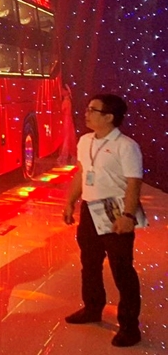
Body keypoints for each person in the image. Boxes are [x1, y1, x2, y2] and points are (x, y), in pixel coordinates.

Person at [63, 93, 143, 347]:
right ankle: (92, 308)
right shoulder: (85, 140)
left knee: (121, 269)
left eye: (92, 110)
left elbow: (134, 183)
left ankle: (129, 327)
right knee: (89, 262)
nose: (86, 113)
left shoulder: (126, 146)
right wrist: (70, 201)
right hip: (90, 208)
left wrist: (128, 216)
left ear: (109, 117)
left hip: (116, 209)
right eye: (87, 108)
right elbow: (81, 173)